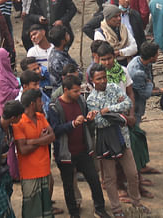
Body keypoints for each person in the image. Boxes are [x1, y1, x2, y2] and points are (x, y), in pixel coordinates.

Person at [86, 65, 148, 216]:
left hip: (123, 139)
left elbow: (127, 103)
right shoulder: (91, 99)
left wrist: (108, 110)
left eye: (104, 77)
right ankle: (116, 209)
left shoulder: (113, 87)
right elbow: (100, 122)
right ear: (92, 81)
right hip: (105, 142)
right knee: (110, 178)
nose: (102, 81)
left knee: (132, 173)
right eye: (98, 79)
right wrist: (119, 116)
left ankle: (136, 203)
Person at [47, 75, 110, 218]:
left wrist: (89, 119)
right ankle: (74, 213)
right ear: (65, 90)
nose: (79, 94)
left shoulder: (81, 101)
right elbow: (54, 130)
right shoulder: (55, 107)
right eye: (75, 91)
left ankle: (100, 209)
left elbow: (86, 123)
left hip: (83, 150)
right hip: (65, 154)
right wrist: (72, 124)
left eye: (79, 91)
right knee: (69, 186)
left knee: (94, 179)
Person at [13, 88, 55, 217]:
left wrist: (31, 141)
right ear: (32, 103)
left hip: (44, 169)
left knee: (44, 207)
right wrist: (42, 140)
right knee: (32, 209)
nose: (42, 103)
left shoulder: (41, 116)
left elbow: (52, 136)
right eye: (39, 101)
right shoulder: (18, 123)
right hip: (29, 173)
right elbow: (23, 150)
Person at [0, 48, 21, 120]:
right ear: (1, 60)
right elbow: (8, 96)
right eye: (7, 57)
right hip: (6, 117)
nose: (9, 59)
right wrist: (22, 90)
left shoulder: (0, 72)